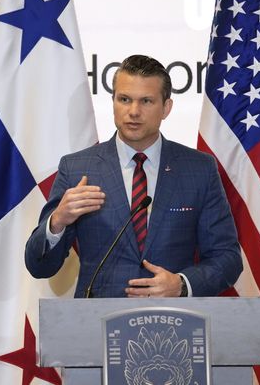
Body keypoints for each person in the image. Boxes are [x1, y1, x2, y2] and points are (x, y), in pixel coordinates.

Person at [25, 55, 242, 298]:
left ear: (166, 108)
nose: (133, 112)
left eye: (146, 101)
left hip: (175, 323)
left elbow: (227, 258)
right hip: (97, 326)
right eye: (124, 99)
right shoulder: (77, 168)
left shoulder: (199, 169)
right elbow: (39, 265)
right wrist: (57, 222)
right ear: (113, 102)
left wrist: (181, 284)